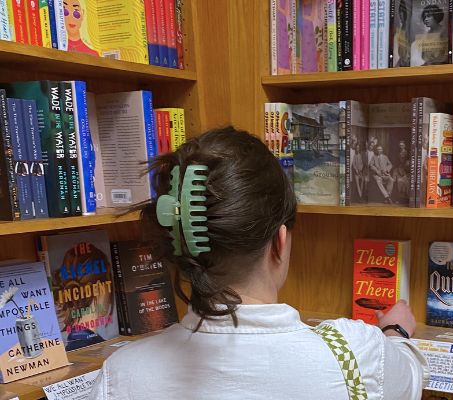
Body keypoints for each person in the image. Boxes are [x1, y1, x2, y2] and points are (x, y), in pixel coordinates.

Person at [89, 127, 428, 400]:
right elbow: (409, 378)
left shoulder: (121, 375)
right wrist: (395, 332)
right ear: (279, 242)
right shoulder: (354, 355)